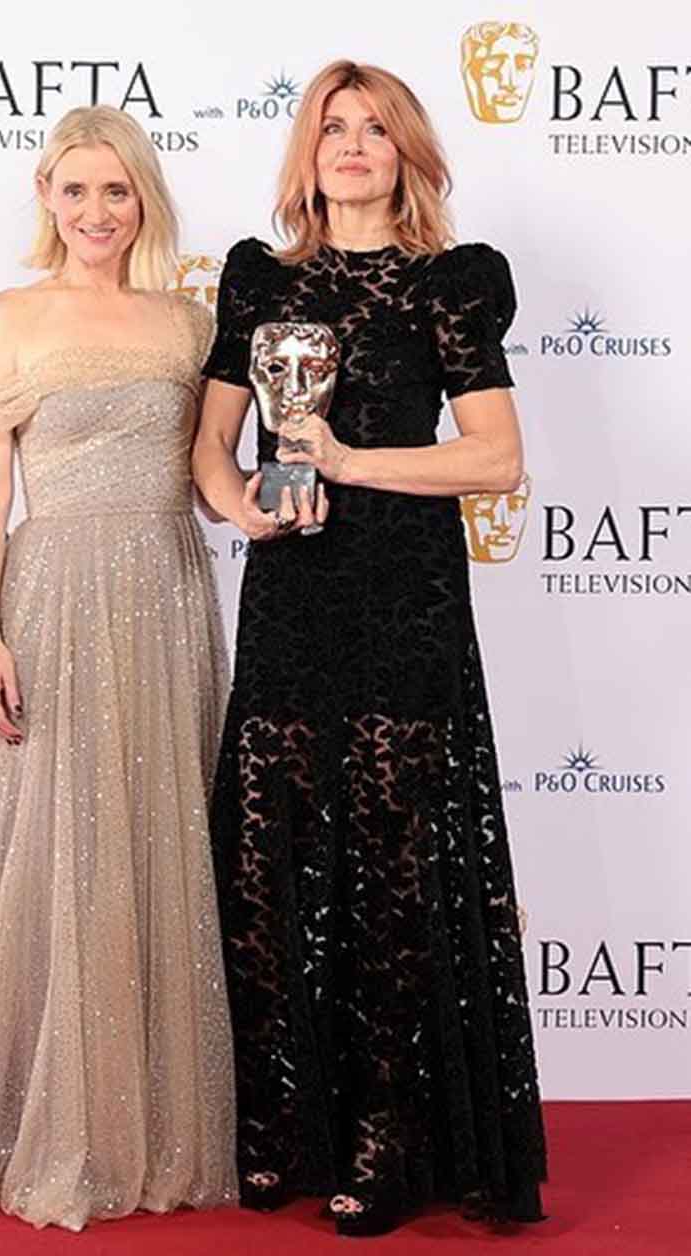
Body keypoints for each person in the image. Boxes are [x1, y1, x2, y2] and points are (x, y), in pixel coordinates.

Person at [193, 60, 546, 1237]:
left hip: (404, 597)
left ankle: (393, 1142)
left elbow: (494, 458)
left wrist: (348, 460)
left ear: (406, 152)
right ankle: (281, 1124)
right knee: (267, 858)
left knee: (395, 864)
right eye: (334, 127)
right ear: (308, 150)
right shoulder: (258, 281)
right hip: (291, 593)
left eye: (375, 128)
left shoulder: (450, 283)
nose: (352, 145)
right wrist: (241, 503)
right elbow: (211, 450)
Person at [0, 105, 236, 1231]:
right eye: (73, 190)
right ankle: (31, 1116)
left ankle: (151, 1126)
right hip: (53, 598)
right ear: (45, 197)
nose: (94, 212)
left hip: (169, 593)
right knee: (49, 848)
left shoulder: (191, 321)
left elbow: (212, 471)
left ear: (144, 201)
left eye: (115, 191)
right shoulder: (10, 318)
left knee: (153, 847)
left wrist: (269, 512)